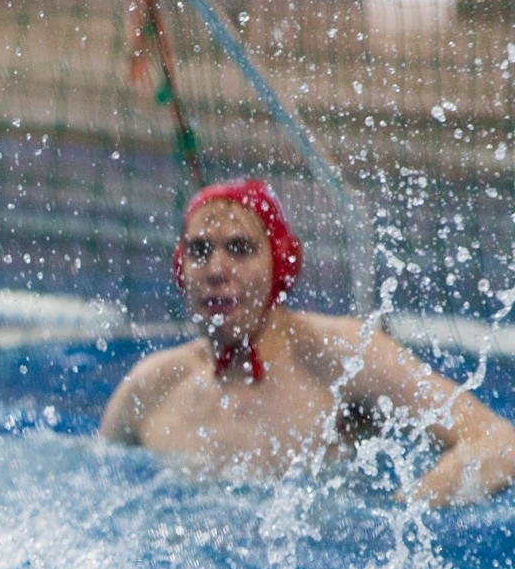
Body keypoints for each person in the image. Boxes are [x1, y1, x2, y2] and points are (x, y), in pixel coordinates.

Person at [99, 178, 515, 505]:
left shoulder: (342, 356)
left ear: (280, 262)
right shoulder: (149, 389)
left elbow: (499, 443)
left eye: (240, 249)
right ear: (179, 268)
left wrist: (401, 516)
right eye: (200, 250)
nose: (216, 269)